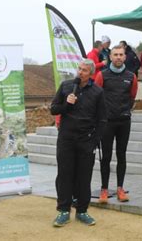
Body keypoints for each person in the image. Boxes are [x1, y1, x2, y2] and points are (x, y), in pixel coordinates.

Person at [50, 59, 107, 227]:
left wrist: (94, 141)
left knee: (84, 177)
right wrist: (66, 104)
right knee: (64, 175)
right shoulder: (67, 86)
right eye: (79, 69)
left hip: (86, 141)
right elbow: (54, 109)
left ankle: (82, 211)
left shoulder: (97, 92)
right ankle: (63, 210)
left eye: (84, 70)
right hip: (66, 139)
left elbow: (102, 120)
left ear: (90, 73)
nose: (80, 72)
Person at [95, 45, 138, 204]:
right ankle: (104, 189)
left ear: (125, 57)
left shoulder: (131, 76)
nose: (118, 57)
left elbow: (132, 97)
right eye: (115, 54)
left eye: (121, 54)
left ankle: (120, 188)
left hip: (124, 121)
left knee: (122, 155)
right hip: (106, 123)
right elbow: (96, 97)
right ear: (110, 57)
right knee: (106, 157)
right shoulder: (102, 75)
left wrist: (124, 110)